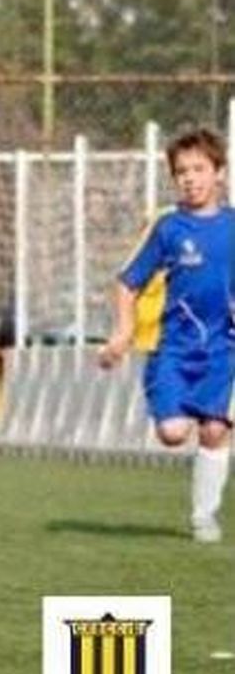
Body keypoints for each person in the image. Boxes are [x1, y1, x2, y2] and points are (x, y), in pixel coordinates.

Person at [99, 127, 234, 544]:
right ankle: (178, 405)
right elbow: (127, 283)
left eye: (198, 169)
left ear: (220, 173)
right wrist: (122, 333)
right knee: (174, 433)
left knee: (215, 429)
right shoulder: (169, 229)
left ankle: (203, 517)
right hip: (174, 351)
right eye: (181, 172)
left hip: (223, 350)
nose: (190, 178)